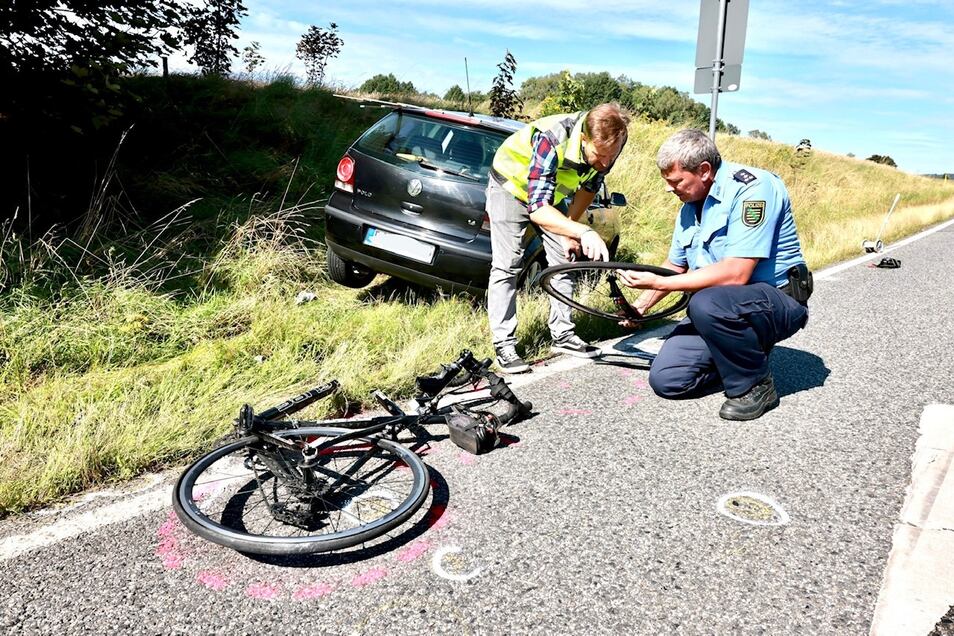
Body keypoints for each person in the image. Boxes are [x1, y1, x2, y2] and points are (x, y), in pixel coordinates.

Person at [618, 128, 811, 420]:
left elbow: (736, 274)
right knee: (668, 380)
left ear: (705, 170)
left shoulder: (754, 189)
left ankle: (756, 384)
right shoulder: (688, 206)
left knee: (705, 303)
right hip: (722, 306)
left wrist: (662, 283)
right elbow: (675, 266)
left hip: (776, 302)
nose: (669, 189)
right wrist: (642, 306)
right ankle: (740, 355)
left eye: (676, 181)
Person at [486, 103, 630, 373]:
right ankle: (504, 344)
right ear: (584, 139)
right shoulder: (551, 138)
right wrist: (583, 231)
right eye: (599, 155)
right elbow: (538, 209)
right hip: (510, 185)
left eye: (611, 156)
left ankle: (563, 335)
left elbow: (590, 185)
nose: (606, 163)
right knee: (508, 265)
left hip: (552, 194)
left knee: (566, 258)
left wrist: (570, 228)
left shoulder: (614, 138)